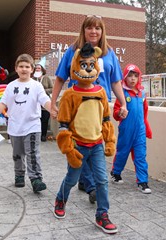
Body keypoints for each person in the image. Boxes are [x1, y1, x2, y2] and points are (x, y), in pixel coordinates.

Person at [51, 15, 128, 203]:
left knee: (96, 143)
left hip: (100, 106)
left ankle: (84, 181)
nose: (94, 31)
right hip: (77, 105)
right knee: (80, 142)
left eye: (97, 28)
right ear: (83, 30)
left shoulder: (108, 52)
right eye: (89, 28)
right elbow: (61, 77)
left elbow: (116, 80)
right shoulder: (73, 50)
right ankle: (92, 186)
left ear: (102, 31)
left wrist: (123, 103)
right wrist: (53, 102)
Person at [54, 42, 118, 234]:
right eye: (84, 65)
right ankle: (60, 199)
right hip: (78, 146)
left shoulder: (100, 92)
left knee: (102, 180)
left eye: (91, 65)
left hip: (97, 144)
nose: (88, 69)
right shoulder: (70, 94)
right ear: (75, 66)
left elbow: (106, 119)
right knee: (72, 179)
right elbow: (63, 125)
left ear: (96, 66)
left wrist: (109, 141)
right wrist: (69, 150)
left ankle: (102, 214)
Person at [0, 53, 51, 193]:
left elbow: (44, 100)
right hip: (15, 126)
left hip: (32, 126)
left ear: (32, 69)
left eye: (27, 66)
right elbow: (3, 103)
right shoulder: (10, 86)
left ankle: (36, 179)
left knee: (33, 153)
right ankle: (19, 175)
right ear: (16, 68)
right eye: (21, 66)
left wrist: (53, 109)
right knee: (17, 154)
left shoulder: (36, 86)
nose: (24, 69)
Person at [110, 64, 152, 194]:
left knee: (140, 155)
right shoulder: (122, 93)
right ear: (125, 77)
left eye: (135, 76)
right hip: (126, 129)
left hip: (140, 130)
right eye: (130, 76)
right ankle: (116, 173)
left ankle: (142, 181)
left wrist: (146, 127)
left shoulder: (142, 93)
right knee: (122, 152)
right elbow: (116, 112)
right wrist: (119, 113)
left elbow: (145, 112)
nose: (133, 79)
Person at [32, 57, 54, 142]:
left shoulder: (46, 78)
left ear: (42, 69)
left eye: (39, 68)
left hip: (45, 103)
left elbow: (52, 88)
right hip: (35, 103)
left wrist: (42, 91)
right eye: (36, 68)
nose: (37, 69)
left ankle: (43, 135)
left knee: (45, 119)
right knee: (37, 120)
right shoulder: (33, 79)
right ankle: (36, 136)